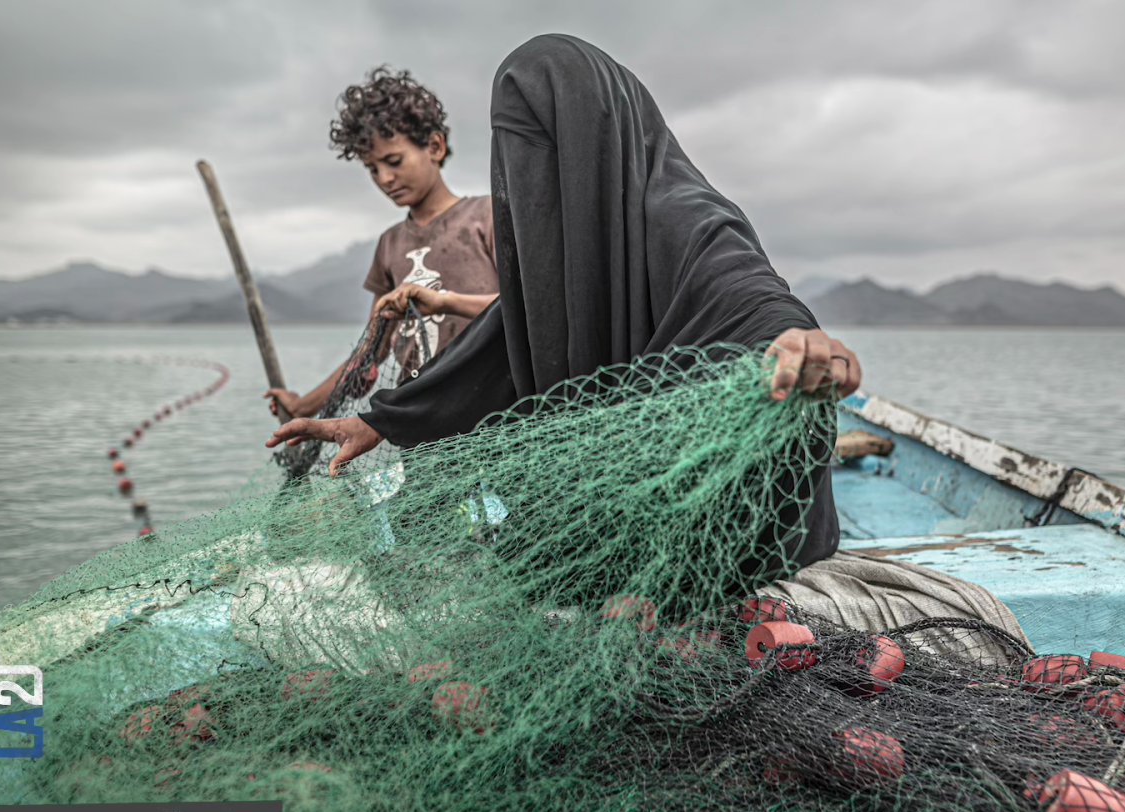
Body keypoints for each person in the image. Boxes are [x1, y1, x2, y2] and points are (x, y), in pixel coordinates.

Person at [268, 35, 862, 569]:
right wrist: (382, 419)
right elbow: (505, 336)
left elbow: (749, 296)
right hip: (611, 504)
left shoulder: (684, 216)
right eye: (515, 158)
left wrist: (797, 337)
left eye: (545, 151)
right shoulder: (555, 247)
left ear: (592, 139)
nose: (528, 178)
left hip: (704, 514)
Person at [265, 66, 500, 420]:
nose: (385, 178)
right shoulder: (390, 245)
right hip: (421, 422)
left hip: (494, 414)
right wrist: (303, 406)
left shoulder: (487, 216)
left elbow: (526, 309)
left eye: (393, 161)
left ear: (435, 146)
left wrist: (445, 301)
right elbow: (371, 353)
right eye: (372, 169)